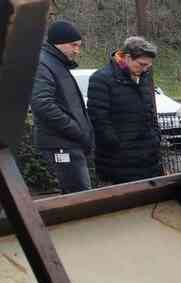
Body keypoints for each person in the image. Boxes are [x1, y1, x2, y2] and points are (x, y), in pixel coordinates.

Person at [88, 36, 162, 185]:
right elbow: (99, 118)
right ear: (127, 58)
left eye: (148, 65)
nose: (145, 69)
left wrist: (155, 136)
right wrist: (115, 145)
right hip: (119, 161)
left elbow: (150, 111)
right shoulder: (101, 79)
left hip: (148, 158)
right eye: (142, 64)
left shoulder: (144, 77)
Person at [31, 20, 94, 194]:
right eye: (73, 45)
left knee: (77, 193)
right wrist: (76, 130)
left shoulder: (55, 63)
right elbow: (42, 104)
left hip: (68, 142)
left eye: (79, 46)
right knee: (79, 195)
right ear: (58, 42)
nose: (77, 50)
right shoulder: (43, 63)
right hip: (62, 143)